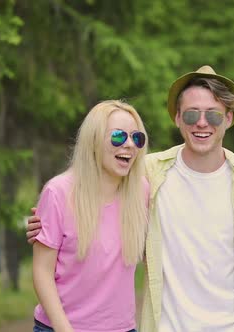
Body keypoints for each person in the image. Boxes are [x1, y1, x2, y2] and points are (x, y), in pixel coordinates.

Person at [27, 66, 234, 331]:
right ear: (177, 118)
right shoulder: (151, 174)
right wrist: (46, 226)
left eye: (214, 115)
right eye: (192, 113)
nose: (202, 122)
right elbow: (85, 196)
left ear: (229, 119)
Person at [31, 100, 149, 332]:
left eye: (137, 138)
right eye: (118, 136)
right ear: (94, 140)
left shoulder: (142, 191)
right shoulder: (59, 192)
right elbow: (42, 271)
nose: (129, 145)